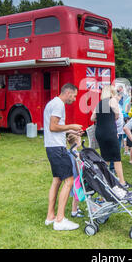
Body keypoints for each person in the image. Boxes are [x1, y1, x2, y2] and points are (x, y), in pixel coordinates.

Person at [44, 83, 83, 231]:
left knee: (57, 180)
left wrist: (70, 131)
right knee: (69, 180)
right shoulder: (59, 105)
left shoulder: (52, 103)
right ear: (67, 93)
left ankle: (50, 216)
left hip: (51, 146)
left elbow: (55, 128)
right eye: (74, 96)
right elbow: (53, 127)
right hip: (57, 148)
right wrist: (71, 126)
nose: (74, 99)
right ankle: (60, 219)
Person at [91, 85, 132, 189]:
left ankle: (103, 180)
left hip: (100, 132)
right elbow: (117, 115)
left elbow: (92, 118)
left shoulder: (99, 104)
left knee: (105, 157)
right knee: (116, 157)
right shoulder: (112, 100)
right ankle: (122, 182)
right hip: (109, 131)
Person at [66, 133, 85, 218]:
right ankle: (74, 212)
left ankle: (76, 208)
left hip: (71, 174)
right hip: (76, 176)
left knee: (74, 193)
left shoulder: (69, 152)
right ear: (76, 142)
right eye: (80, 140)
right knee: (76, 194)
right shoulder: (76, 154)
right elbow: (79, 166)